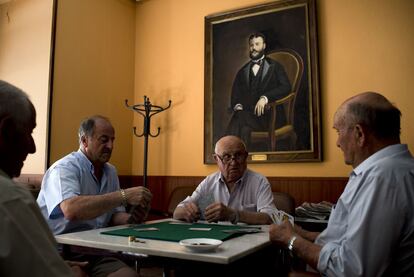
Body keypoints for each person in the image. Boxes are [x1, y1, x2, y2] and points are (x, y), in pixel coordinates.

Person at [269, 92, 414, 276]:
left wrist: (291, 240)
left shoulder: (382, 179)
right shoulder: (390, 170)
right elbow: (348, 239)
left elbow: (352, 270)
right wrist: (303, 233)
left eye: (338, 131)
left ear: (360, 134)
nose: (337, 142)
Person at [37, 115, 152, 277]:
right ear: (84, 141)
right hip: (58, 251)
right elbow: (71, 210)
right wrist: (124, 195)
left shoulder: (110, 171)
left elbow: (113, 216)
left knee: (129, 275)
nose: (110, 146)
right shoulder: (64, 168)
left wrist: (132, 218)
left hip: (96, 251)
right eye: (104, 140)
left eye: (113, 140)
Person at [0, 80, 86, 276]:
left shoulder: (110, 171)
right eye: (28, 132)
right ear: (5, 131)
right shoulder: (10, 199)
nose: (32, 147)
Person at [173, 135, 277, 225]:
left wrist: (233, 214)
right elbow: (177, 212)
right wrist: (186, 212)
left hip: (248, 241)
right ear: (216, 159)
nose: (233, 163)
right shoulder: (209, 182)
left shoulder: (259, 182)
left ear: (245, 157)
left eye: (238, 155)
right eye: (227, 157)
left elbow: (270, 218)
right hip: (213, 240)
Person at [226, 32, 291, 151]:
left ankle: (224, 151)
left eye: (257, 44)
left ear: (264, 46)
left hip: (271, 116)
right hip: (250, 117)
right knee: (244, 128)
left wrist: (265, 98)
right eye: (251, 45)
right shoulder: (243, 71)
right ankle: (237, 156)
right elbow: (235, 94)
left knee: (239, 118)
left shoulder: (275, 67)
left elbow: (286, 87)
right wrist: (238, 105)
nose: (253, 48)